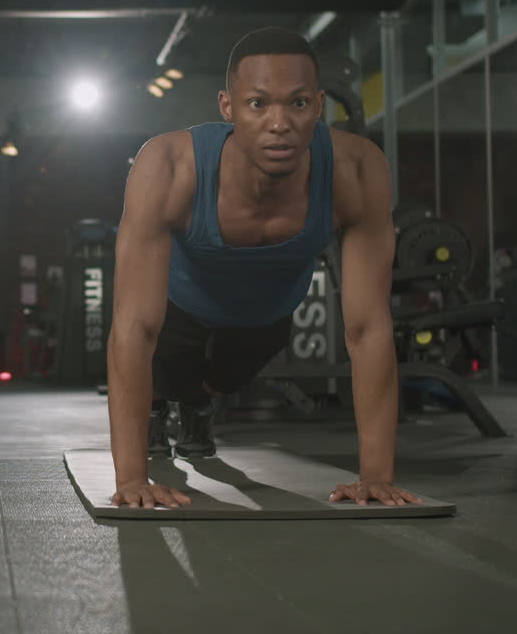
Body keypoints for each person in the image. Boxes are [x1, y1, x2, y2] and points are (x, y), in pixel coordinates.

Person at [107, 27, 423, 510]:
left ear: (318, 106)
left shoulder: (355, 170)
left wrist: (375, 476)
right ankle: (160, 410)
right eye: (258, 104)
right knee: (166, 368)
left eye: (297, 104)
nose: (280, 123)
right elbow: (133, 327)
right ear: (228, 108)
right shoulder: (170, 166)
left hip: (267, 317)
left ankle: (196, 409)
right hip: (181, 310)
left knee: (220, 381)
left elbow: (368, 328)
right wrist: (132, 479)